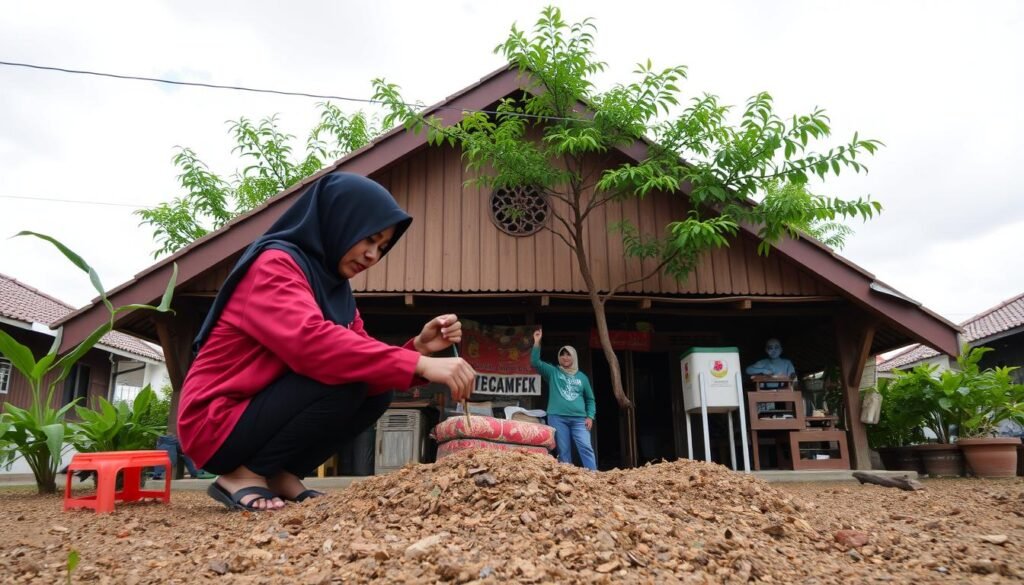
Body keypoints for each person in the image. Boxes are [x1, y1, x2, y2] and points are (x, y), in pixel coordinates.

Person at [178, 172, 476, 511]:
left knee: (376, 388)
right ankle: (243, 476)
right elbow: (314, 344)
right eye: (369, 239)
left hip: (254, 415)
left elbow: (360, 351)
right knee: (346, 378)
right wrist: (421, 364)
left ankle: (281, 472)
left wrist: (418, 348)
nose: (372, 256)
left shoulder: (335, 288)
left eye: (381, 248)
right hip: (216, 421)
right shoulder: (275, 265)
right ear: (340, 221)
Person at [530, 329, 597, 470]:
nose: (565, 358)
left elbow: (590, 399)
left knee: (586, 447)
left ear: (574, 357)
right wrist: (537, 342)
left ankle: (594, 477)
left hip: (579, 420)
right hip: (557, 418)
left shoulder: (582, 377)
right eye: (562, 355)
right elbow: (535, 362)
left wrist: (590, 416)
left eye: (568, 355)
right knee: (564, 451)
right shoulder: (553, 372)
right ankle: (567, 479)